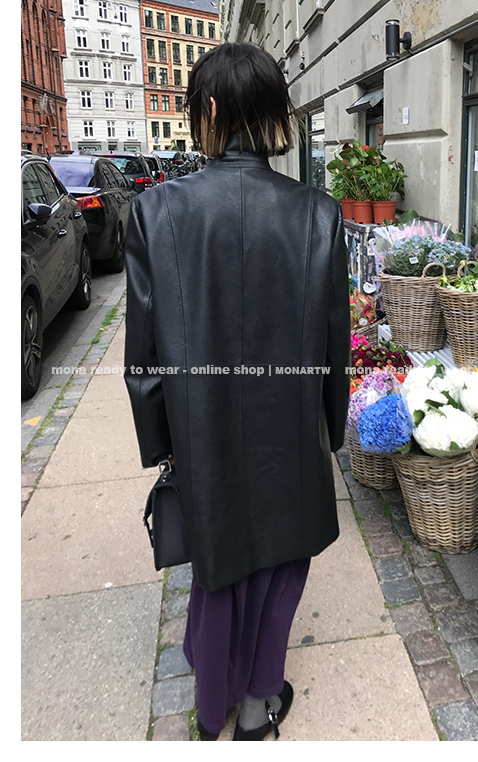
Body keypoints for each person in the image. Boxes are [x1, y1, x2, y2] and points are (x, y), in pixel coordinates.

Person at [124, 42, 351, 741]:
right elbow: (334, 346)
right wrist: (330, 430)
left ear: (213, 109)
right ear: (275, 113)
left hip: (203, 429)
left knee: (219, 565)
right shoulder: (319, 213)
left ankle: (212, 704)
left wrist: (163, 446)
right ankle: (257, 705)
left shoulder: (155, 212)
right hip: (291, 427)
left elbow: (144, 357)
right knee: (282, 564)